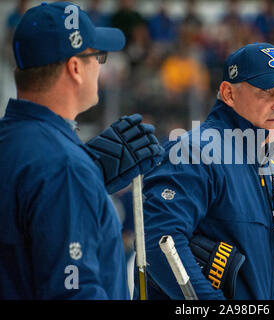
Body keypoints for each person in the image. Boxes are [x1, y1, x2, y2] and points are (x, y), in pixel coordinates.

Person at [0, 1, 163, 299]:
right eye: (97, 57)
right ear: (75, 67)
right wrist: (76, 178)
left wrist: (89, 177)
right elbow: (73, 291)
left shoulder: (13, 141)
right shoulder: (64, 167)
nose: (99, 69)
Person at [135, 43, 274, 300]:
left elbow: (250, 271)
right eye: (266, 91)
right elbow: (158, 244)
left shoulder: (271, 173)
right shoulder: (193, 152)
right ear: (228, 93)